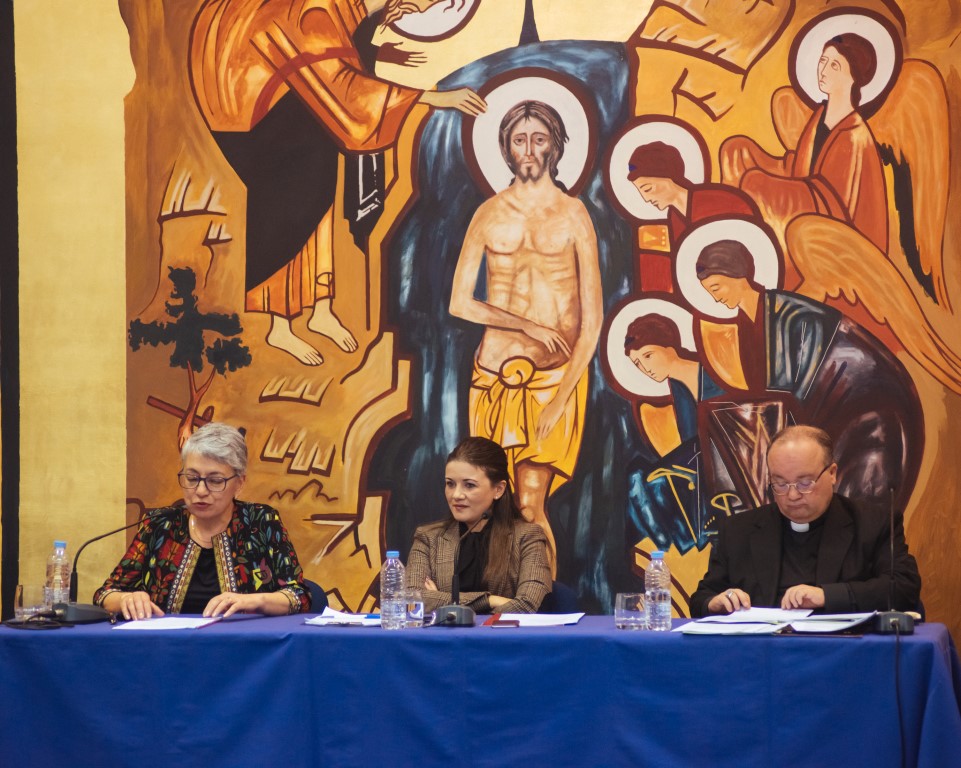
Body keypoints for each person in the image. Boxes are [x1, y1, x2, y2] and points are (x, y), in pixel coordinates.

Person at [188, 0, 486, 365]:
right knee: (294, 206)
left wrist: (376, 36)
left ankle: (320, 307)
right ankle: (279, 324)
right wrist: (433, 97)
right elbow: (340, 84)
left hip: (293, 105)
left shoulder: (342, 7)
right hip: (262, 122)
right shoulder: (312, 11)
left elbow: (337, 55)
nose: (420, 8)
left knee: (321, 194)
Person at [449, 99, 602, 560]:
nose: (529, 149)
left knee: (531, 506)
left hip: (552, 379)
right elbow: (460, 302)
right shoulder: (488, 213)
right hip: (491, 377)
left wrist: (561, 398)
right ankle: (501, 599)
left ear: (555, 145)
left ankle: (541, 602)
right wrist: (526, 325)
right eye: (520, 140)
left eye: (539, 139)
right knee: (495, 511)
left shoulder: (574, 214)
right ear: (507, 147)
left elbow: (592, 320)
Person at [690, 425, 921, 616]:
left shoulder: (873, 523)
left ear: (832, 473)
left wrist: (827, 596)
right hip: (761, 651)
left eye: (804, 483)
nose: (792, 495)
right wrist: (714, 603)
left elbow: (903, 588)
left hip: (840, 650)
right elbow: (702, 598)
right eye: (780, 483)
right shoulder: (738, 530)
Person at [94, 423, 310, 619]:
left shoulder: (261, 522)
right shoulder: (159, 524)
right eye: (192, 478)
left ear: (240, 483)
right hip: (169, 645)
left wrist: (254, 601)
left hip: (243, 645)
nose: (200, 491)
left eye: (215, 481)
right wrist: (126, 599)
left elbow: (299, 596)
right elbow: (105, 594)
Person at [721, 33, 887, 253]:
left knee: (756, 183)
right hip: (811, 197)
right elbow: (804, 167)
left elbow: (833, 201)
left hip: (837, 229)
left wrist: (769, 182)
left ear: (853, 77)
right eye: (823, 61)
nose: (823, 70)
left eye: (835, 66)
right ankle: (730, 231)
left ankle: (749, 245)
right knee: (735, 151)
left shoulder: (854, 135)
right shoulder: (820, 116)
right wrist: (759, 160)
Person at [405, 436, 552, 615]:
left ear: (498, 489)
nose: (456, 495)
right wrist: (490, 600)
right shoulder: (428, 538)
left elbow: (527, 605)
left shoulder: (527, 537)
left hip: (500, 634)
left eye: (469, 485)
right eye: (450, 484)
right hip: (444, 634)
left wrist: (441, 600)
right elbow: (413, 600)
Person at [626, 141, 758, 291]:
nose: (646, 199)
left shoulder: (721, 202)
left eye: (647, 189)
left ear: (667, 177)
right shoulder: (675, 217)